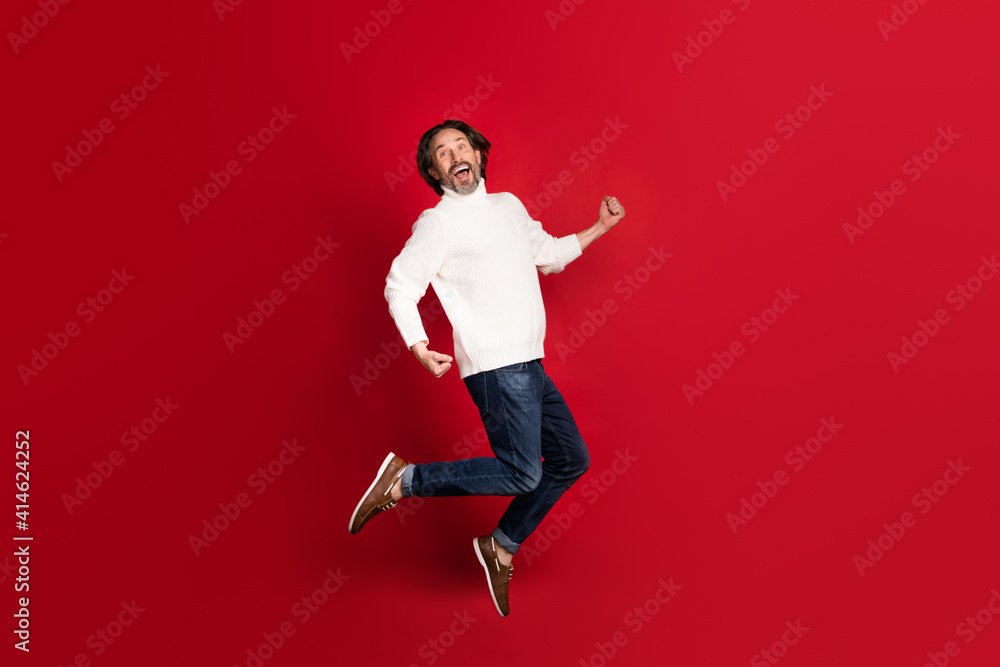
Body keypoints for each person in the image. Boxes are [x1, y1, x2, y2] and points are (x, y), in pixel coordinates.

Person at [348, 119, 625, 617]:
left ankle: (499, 546)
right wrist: (418, 344)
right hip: (497, 367)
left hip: (530, 362)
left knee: (570, 460)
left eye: (461, 145)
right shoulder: (438, 223)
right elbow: (399, 286)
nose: (454, 155)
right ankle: (404, 480)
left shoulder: (509, 207)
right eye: (441, 152)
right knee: (522, 473)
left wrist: (600, 227)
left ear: (478, 154)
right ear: (433, 171)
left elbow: (548, 255)